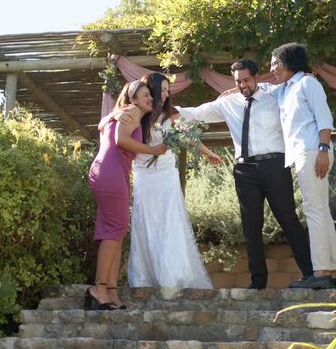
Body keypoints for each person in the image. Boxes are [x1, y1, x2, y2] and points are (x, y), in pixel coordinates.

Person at [175, 59, 314, 290]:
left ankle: (310, 274)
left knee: (288, 219)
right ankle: (258, 283)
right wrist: (168, 110)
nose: (242, 85)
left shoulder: (275, 95)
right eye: (238, 81)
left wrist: (307, 77)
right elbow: (197, 113)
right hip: (244, 170)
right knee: (251, 226)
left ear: (256, 77)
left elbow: (297, 87)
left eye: (246, 80)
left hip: (275, 165)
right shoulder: (228, 102)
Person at [126, 72, 219, 289]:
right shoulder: (137, 112)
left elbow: (187, 136)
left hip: (166, 173)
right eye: (163, 90)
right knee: (145, 221)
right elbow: (111, 122)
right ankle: (145, 277)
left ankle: (171, 276)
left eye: (169, 90)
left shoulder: (172, 114)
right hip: (143, 173)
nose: (166, 95)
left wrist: (207, 153)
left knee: (169, 222)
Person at [86, 79, 167, 310]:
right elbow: (120, 140)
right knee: (114, 230)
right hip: (110, 171)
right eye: (144, 95)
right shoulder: (130, 111)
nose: (150, 99)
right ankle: (98, 288)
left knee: (116, 230)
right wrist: (153, 150)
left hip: (111, 171)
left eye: (150, 96)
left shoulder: (126, 113)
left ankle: (110, 290)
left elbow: (107, 127)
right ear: (132, 99)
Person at [268, 43, 336, 289]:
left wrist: (323, 150)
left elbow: (324, 119)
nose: (271, 69)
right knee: (321, 210)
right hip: (305, 154)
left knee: (314, 210)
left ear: (289, 63)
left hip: (313, 152)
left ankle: (320, 273)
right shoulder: (284, 90)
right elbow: (261, 90)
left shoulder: (308, 84)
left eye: (275, 63)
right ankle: (331, 272)